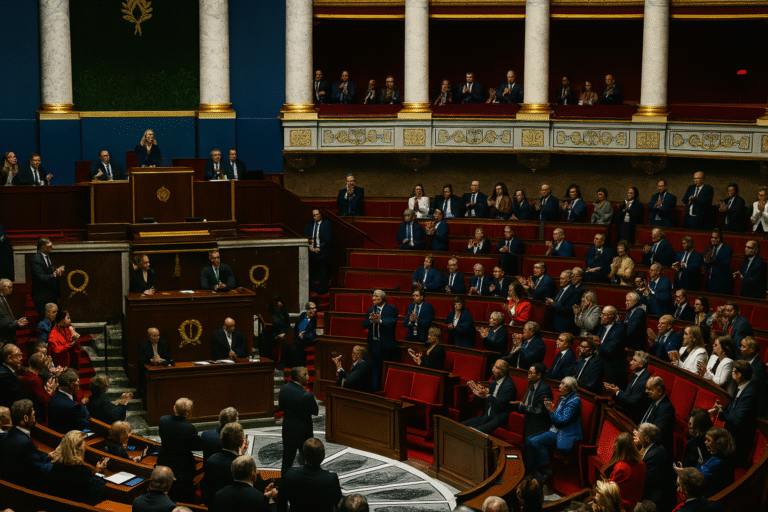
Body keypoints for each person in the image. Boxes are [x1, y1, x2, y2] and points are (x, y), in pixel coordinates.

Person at [524, 377, 582, 480]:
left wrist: (551, 411)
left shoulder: (574, 401)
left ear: (569, 388)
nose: (559, 386)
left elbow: (562, 421)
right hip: (554, 429)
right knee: (529, 439)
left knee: (532, 441)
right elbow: (557, 416)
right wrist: (552, 410)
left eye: (562, 383)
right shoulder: (564, 398)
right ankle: (536, 470)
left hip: (564, 433)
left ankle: (544, 469)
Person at [710, 360, 759, 464]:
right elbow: (730, 409)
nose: (732, 373)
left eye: (733, 371)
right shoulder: (740, 387)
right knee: (707, 437)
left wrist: (721, 413)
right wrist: (719, 410)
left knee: (710, 442)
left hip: (738, 441)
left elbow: (737, 420)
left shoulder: (749, 394)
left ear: (739, 374)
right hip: (730, 434)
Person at [156, 399, 202, 504]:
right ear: (188, 413)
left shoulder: (163, 420)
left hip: (165, 459)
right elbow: (196, 446)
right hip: (182, 465)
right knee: (183, 494)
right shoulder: (189, 428)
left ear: (174, 408)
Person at [279, 438, 342, 512]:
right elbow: (338, 504)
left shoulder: (290, 475)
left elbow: (281, 503)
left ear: (304, 455)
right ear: (323, 457)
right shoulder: (331, 479)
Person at [46, 430, 106, 504]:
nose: (85, 449)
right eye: (84, 447)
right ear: (77, 451)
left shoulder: (56, 465)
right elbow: (97, 490)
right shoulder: (82, 472)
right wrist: (99, 473)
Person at [675, 427, 735, 497]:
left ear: (718, 443)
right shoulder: (717, 455)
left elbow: (697, 479)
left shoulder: (719, 462)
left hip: (710, 496)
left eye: (708, 440)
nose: (705, 442)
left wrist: (683, 472)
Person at [279, 366, 318, 473]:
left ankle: (284, 481)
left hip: (288, 428)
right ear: (298, 377)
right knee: (306, 459)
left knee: (287, 458)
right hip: (304, 430)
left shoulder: (284, 389)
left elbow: (281, 406)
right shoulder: (306, 394)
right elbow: (315, 411)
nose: (308, 377)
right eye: (305, 374)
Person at [461, 359, 516, 434]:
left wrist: (486, 396)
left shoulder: (508, 386)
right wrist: (476, 392)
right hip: (486, 416)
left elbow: (499, 406)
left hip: (496, 418)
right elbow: (479, 402)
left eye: (496, 367)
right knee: (460, 426)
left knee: (471, 433)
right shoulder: (495, 382)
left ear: (503, 371)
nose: (493, 369)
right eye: (494, 366)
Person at [203, 422, 250, 507]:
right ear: (241, 442)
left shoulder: (210, 460)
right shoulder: (241, 466)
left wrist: (240, 456)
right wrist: (240, 457)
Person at [212, 455, 278, 511]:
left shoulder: (218, 495)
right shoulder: (259, 499)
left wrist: (264, 497)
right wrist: (270, 500)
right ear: (253, 475)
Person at [634, 422, 675, 511]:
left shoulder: (654, 454)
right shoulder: (655, 447)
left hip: (654, 499)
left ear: (647, 439)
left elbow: (645, 477)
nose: (638, 438)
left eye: (640, 436)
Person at [362, 290, 399, 384]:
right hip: (374, 344)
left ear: (382, 298)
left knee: (385, 369)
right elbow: (364, 325)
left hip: (386, 345)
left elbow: (392, 322)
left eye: (376, 296)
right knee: (375, 368)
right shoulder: (371, 310)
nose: (373, 298)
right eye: (373, 296)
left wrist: (380, 321)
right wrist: (371, 320)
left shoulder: (391, 309)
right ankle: (376, 388)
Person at [605, 351, 651, 425]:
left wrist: (618, 392)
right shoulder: (638, 374)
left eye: (634, 360)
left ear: (641, 364)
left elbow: (632, 402)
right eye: (632, 360)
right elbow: (628, 395)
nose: (630, 362)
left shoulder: (644, 381)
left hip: (632, 418)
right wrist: (617, 389)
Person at [603, 432, 646, 510]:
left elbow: (611, 490)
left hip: (622, 506)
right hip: (637, 505)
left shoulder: (621, 467)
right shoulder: (642, 464)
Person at [513, 362, 554, 438]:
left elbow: (539, 410)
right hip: (529, 416)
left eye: (531, 373)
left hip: (537, 422)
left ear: (538, 375)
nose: (528, 374)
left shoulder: (544, 389)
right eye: (528, 372)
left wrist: (525, 408)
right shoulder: (531, 384)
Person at [638, 376, 675, 452]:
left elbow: (657, 435)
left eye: (649, 389)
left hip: (655, 450)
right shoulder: (653, 400)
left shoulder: (666, 409)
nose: (646, 391)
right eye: (646, 388)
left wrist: (641, 438)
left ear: (659, 391)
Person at [47, 368, 90, 434]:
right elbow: (85, 424)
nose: (79, 384)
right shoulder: (73, 407)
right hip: (69, 437)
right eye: (78, 382)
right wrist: (83, 404)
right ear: (72, 385)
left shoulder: (53, 398)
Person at [18, 352, 56, 425]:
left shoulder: (25, 373)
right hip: (37, 415)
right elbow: (45, 400)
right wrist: (52, 392)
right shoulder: (35, 380)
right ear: (42, 365)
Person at [30, 237, 63, 320]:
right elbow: (40, 277)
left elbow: (48, 270)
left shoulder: (46, 256)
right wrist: (54, 274)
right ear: (43, 247)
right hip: (42, 295)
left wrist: (56, 270)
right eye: (49, 246)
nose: (51, 247)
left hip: (51, 293)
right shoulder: (36, 258)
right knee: (44, 318)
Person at [594, 306, 627, 386]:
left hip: (612, 366)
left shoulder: (619, 329)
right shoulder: (602, 325)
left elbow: (609, 350)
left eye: (604, 314)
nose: (601, 316)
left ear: (611, 316)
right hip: (600, 359)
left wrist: (597, 344)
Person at [304, 208, 333, 294]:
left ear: (320, 215)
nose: (315, 217)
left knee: (323, 261)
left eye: (316, 214)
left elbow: (328, 240)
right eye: (313, 215)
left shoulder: (326, 225)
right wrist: (311, 247)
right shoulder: (308, 226)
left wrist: (319, 248)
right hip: (311, 251)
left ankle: (322, 289)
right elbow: (305, 238)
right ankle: (312, 288)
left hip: (322, 250)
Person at [282, 302, 317, 369]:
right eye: (313, 308)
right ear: (308, 310)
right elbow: (298, 332)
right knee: (289, 347)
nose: (315, 310)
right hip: (299, 341)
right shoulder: (303, 318)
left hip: (307, 341)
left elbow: (312, 334)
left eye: (315, 308)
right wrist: (302, 335)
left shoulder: (314, 321)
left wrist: (304, 335)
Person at [138, 327, 172, 393]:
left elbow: (168, 357)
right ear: (149, 337)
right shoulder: (143, 344)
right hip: (149, 369)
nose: (157, 337)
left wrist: (162, 360)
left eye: (158, 335)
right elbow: (141, 359)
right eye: (154, 336)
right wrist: (151, 360)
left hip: (162, 368)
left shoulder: (163, 343)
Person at [546, 270, 580, 335]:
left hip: (565, 326)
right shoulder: (561, 289)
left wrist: (553, 303)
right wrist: (550, 303)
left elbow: (568, 309)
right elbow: (557, 302)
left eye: (563, 279)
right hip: (555, 322)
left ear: (569, 279)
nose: (560, 280)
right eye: (560, 278)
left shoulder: (574, 292)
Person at [703, 228, 733, 294]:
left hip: (721, 281)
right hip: (710, 280)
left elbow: (726, 264)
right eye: (712, 237)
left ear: (720, 238)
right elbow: (706, 262)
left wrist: (712, 260)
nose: (713, 240)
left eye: (716, 238)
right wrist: (707, 261)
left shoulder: (727, 249)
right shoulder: (709, 248)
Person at [0, 279, 28, 347]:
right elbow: (2, 319)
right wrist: (15, 323)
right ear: (2, 287)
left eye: (11, 287)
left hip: (8, 335)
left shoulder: (4, 298)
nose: (11, 289)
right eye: (9, 287)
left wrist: (16, 323)